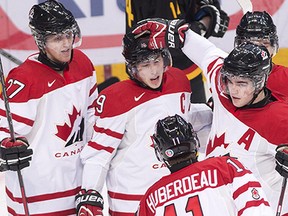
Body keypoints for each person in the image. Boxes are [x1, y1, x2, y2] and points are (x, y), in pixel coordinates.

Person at [130, 19, 288, 215]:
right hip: (218, 204)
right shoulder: (225, 90)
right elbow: (206, 52)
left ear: (260, 82)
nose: (233, 90)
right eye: (228, 81)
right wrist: (178, 32)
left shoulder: (281, 119)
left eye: (241, 83)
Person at [75, 31, 213, 215]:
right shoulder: (116, 99)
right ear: (132, 68)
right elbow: (99, 153)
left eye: (156, 61)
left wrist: (214, 112)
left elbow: (185, 116)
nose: (154, 70)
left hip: (175, 193)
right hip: (133, 200)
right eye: (145, 65)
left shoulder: (178, 80)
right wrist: (90, 192)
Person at [0, 1, 98, 215]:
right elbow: (4, 132)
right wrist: (6, 146)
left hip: (78, 188)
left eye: (68, 35)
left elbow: (92, 115)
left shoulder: (83, 63)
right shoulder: (24, 80)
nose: (66, 44)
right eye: (57, 38)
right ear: (41, 42)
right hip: (37, 195)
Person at [136, 114, 273, 215]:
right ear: (193, 140)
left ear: (160, 152)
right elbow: (257, 210)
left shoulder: (151, 197)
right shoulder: (225, 167)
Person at [125, 0, 230, 103]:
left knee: (197, 117)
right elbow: (166, 36)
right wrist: (199, 27)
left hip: (188, 68)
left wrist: (207, 17)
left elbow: (216, 16)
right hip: (158, 75)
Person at [234, 11, 288, 100]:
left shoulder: (286, 77)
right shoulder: (228, 78)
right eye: (248, 44)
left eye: (264, 44)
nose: (257, 51)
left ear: (273, 46)